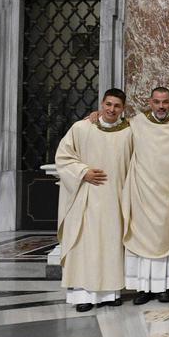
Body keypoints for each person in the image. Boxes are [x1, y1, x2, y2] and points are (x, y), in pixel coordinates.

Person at [55, 88, 133, 312]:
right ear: (101, 104)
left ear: (123, 108)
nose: (111, 109)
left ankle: (110, 293)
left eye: (117, 106)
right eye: (108, 104)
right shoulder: (82, 128)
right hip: (86, 197)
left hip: (115, 199)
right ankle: (83, 295)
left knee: (110, 245)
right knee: (85, 245)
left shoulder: (128, 132)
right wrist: (83, 172)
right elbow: (63, 156)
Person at [121, 87, 169, 305]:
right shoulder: (137, 122)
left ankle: (163, 287)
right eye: (157, 102)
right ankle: (143, 288)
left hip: (167, 192)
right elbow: (112, 123)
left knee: (164, 238)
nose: (161, 106)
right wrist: (93, 117)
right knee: (142, 240)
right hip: (142, 193)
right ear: (150, 102)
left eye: (165, 102)